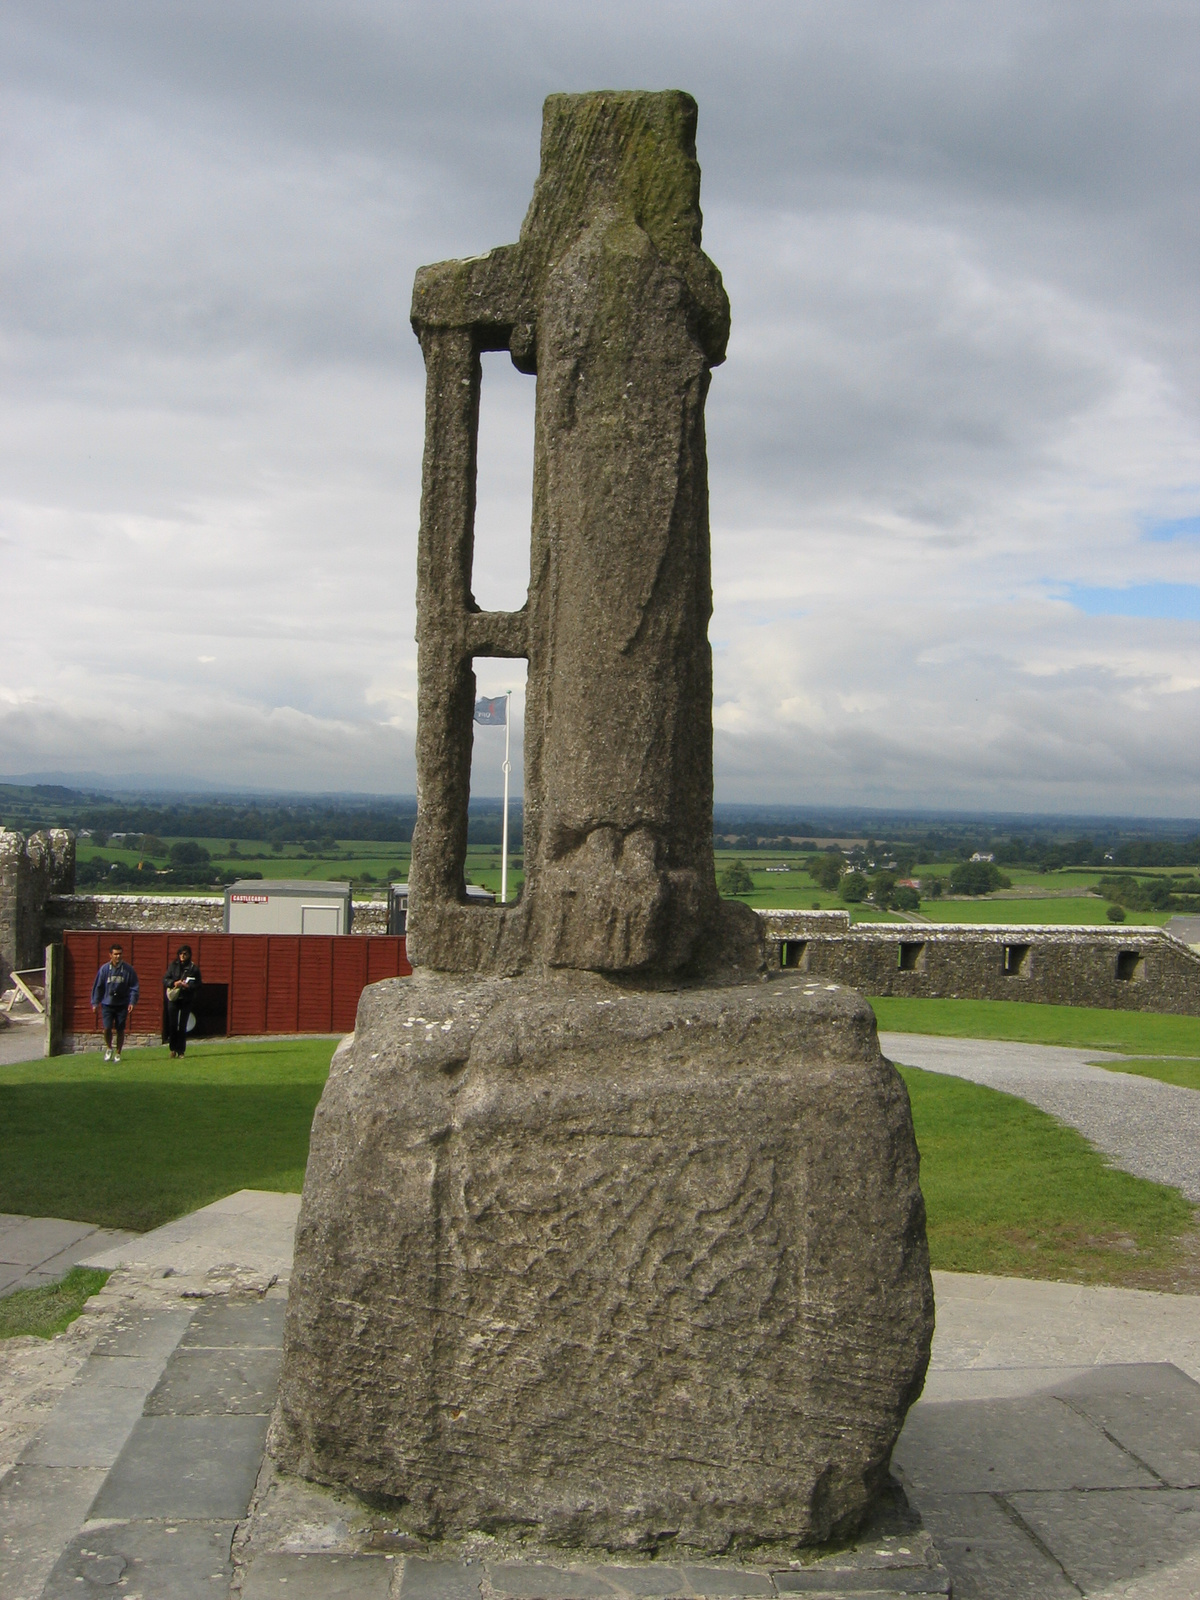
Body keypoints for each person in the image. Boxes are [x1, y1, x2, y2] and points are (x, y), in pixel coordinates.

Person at [90, 942, 139, 1062]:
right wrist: (95, 1003)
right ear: (110, 955)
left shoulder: (128, 970)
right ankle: (109, 1048)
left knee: (120, 1029)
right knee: (107, 1028)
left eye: (120, 954)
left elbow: (134, 987)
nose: (118, 956)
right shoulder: (105, 969)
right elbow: (98, 986)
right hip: (107, 1003)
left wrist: (132, 1002)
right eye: (115, 954)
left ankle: (118, 1052)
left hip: (122, 1004)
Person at [163, 944, 202, 1059]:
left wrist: (188, 986)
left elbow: (199, 984)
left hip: (186, 998)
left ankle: (181, 1051)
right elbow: (165, 979)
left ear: (189, 955)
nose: (182, 956)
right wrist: (174, 983)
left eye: (185, 954)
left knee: (183, 1025)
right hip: (174, 999)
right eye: (181, 954)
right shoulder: (173, 966)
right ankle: (173, 1049)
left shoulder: (193, 968)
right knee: (173, 1025)